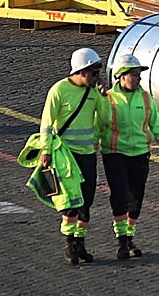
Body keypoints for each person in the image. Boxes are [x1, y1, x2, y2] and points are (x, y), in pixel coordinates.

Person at [100, 53, 159, 260]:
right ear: (121, 76)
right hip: (115, 154)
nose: (139, 78)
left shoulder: (145, 98)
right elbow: (99, 126)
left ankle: (130, 237)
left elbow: (157, 125)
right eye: (135, 74)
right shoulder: (109, 99)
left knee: (136, 197)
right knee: (120, 196)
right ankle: (121, 240)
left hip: (140, 154)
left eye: (139, 74)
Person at [40, 48, 108, 264]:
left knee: (86, 202)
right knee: (70, 203)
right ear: (82, 71)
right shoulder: (59, 91)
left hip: (87, 155)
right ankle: (69, 243)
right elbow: (47, 124)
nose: (97, 77)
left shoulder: (94, 92)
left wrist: (105, 98)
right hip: (66, 157)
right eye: (94, 72)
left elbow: (105, 120)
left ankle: (80, 243)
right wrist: (46, 150)